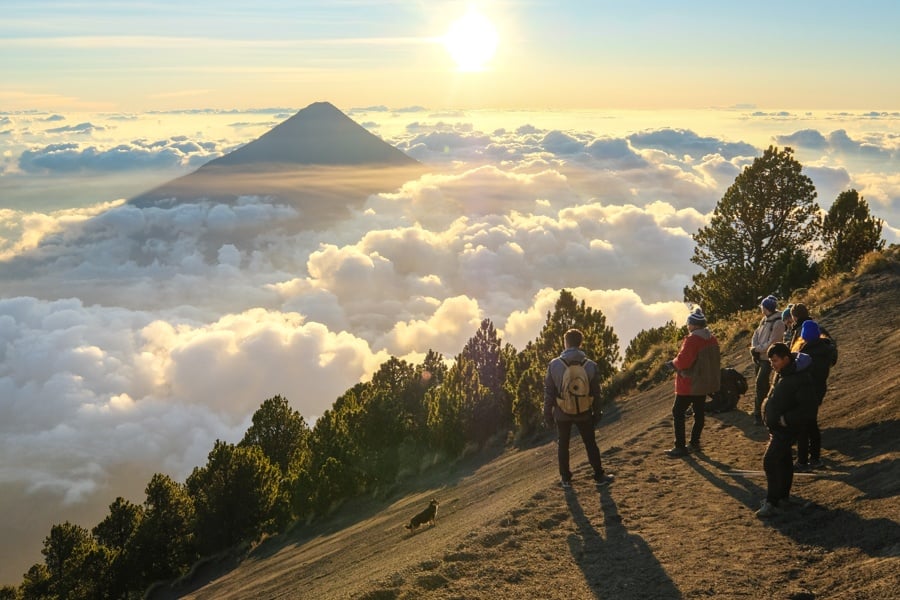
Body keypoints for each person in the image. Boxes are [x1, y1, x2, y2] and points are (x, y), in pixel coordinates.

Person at [543, 328, 613, 489]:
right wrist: (597, 411)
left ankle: (566, 479)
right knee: (590, 443)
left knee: (563, 445)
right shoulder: (590, 365)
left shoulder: (554, 365)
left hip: (562, 412)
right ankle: (599, 476)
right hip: (584, 411)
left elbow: (549, 392)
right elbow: (596, 392)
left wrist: (547, 414)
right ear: (580, 343)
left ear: (565, 342)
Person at [756, 342, 816, 518]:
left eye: (775, 360)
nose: (772, 364)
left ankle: (772, 501)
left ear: (786, 358)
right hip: (778, 428)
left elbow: (809, 408)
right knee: (783, 461)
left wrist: (785, 419)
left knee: (770, 461)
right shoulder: (783, 373)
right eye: (771, 360)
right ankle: (782, 498)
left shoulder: (800, 378)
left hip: (787, 429)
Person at [663, 307, 721, 457]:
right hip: (703, 383)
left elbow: (683, 362)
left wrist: (672, 364)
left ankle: (680, 446)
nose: (688, 326)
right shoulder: (711, 338)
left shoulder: (692, 340)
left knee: (678, 412)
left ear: (694, 325)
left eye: (689, 324)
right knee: (699, 412)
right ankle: (695, 442)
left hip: (689, 383)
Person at [793, 320, 838, 471]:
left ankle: (803, 461)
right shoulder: (825, 349)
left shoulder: (807, 352)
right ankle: (815, 459)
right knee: (811, 423)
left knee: (803, 426)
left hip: (806, 391)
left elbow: (801, 373)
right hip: (818, 390)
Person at [750, 295, 786, 425]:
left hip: (768, 359)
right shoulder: (764, 320)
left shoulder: (778, 323)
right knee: (760, 386)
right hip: (760, 357)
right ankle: (759, 411)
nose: (761, 309)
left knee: (761, 385)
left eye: (762, 307)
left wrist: (757, 349)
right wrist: (754, 348)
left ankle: (761, 414)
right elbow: (755, 334)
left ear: (766, 308)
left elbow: (773, 342)